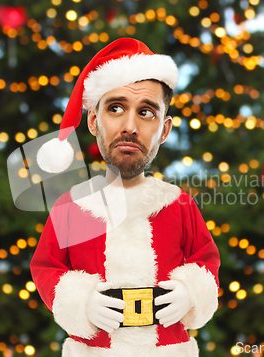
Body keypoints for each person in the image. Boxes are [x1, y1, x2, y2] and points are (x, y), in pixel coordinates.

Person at [30, 38, 220, 357]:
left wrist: (191, 292)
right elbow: (47, 268)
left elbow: (207, 261)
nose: (129, 126)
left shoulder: (179, 205)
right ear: (93, 120)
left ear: (164, 129)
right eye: (116, 108)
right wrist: (81, 300)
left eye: (146, 112)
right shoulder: (70, 208)